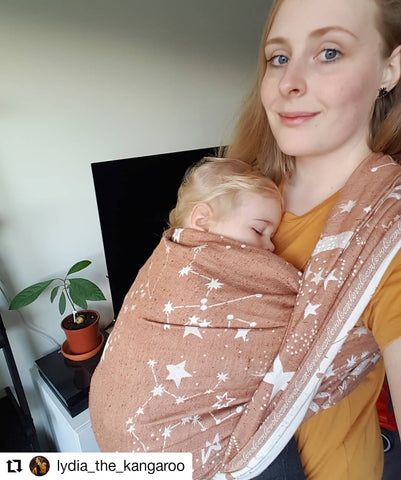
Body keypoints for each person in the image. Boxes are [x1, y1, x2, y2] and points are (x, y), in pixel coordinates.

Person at [216, 0, 401, 479]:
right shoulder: (239, 192)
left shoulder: (387, 229)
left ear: (390, 68)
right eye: (279, 58)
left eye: (329, 52)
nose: (288, 82)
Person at [89, 157, 306, 480]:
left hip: (112, 433)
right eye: (259, 230)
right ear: (202, 221)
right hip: (145, 434)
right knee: (272, 441)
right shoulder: (174, 262)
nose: (270, 246)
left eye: (271, 234)